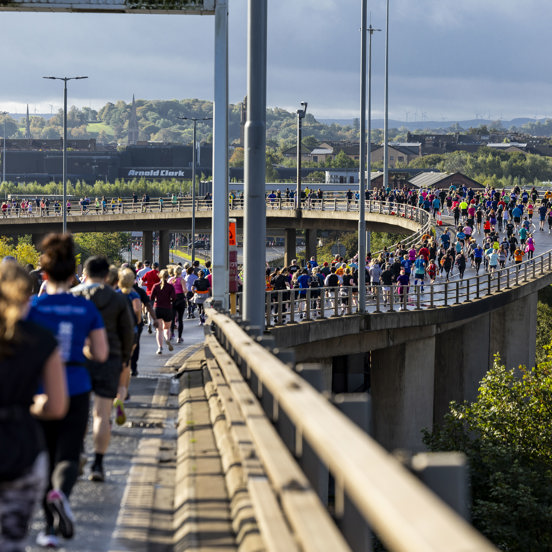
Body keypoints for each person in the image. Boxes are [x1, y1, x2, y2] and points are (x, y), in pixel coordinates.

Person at [27, 233, 108, 548]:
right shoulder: (85, 310)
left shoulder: (32, 307)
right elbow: (100, 354)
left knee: (44, 453)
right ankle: (61, 494)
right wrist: (81, 347)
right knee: (69, 454)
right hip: (75, 385)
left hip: (39, 390)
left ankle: (47, 529)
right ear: (74, 273)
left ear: (44, 274)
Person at [0, 262, 68, 552]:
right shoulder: (41, 339)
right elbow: (56, 407)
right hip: (21, 449)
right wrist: (34, 404)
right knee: (13, 541)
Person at [71, 257, 135, 483]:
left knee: (78, 412)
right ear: (107, 276)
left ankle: (78, 452)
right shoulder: (116, 299)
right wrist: (125, 360)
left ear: (84, 273)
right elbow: (128, 332)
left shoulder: (73, 296)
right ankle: (98, 464)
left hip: (77, 359)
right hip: (110, 358)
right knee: (102, 414)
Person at [151, 269, 176, 354]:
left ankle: (160, 348)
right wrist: (169, 300)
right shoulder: (170, 286)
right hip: (167, 308)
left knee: (159, 330)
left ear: (160, 276)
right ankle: (167, 339)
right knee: (167, 328)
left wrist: (156, 299)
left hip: (157, 308)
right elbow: (174, 298)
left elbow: (151, 297)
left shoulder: (156, 286)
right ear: (167, 276)